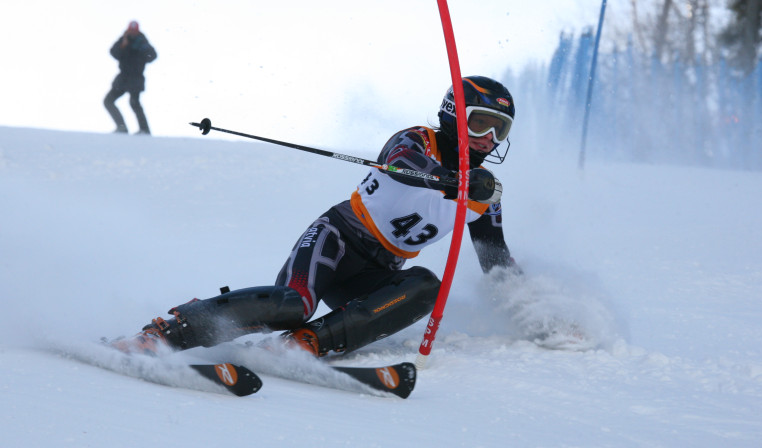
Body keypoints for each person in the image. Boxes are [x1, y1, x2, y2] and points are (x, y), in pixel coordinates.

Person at [112, 76, 521, 357]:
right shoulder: (418, 140)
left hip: (377, 272)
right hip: (337, 239)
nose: (488, 138)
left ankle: (307, 345)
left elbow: (497, 263)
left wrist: (536, 311)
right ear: (453, 113)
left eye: (499, 131)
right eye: (480, 123)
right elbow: (400, 160)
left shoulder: (485, 195)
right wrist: (451, 180)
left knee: (427, 287)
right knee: (293, 304)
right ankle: (167, 334)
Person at [103, 20, 157, 135]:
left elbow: (152, 56)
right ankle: (122, 127)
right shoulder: (123, 40)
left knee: (134, 103)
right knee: (108, 101)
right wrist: (123, 45)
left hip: (136, 78)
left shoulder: (142, 41)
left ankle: (144, 130)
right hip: (123, 78)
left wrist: (143, 49)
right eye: (130, 30)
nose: (132, 32)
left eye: (134, 30)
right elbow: (114, 52)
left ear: (138, 31)